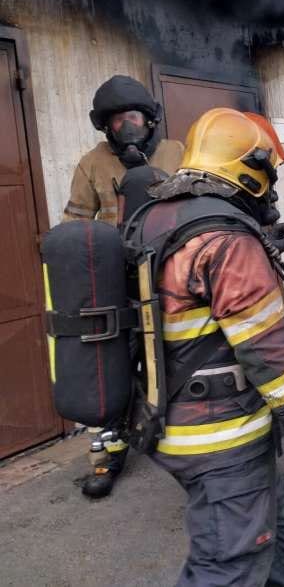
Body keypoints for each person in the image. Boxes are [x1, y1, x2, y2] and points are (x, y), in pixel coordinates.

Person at [129, 107, 284, 586]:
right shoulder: (226, 238)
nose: (272, 185)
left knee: (272, 503)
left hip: (166, 414)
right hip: (220, 435)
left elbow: (183, 301)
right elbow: (267, 350)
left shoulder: (159, 215)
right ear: (247, 168)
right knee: (229, 562)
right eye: (268, 172)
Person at [63, 74, 183, 499]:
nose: (127, 127)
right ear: (105, 126)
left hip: (171, 273)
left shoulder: (175, 152)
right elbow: (75, 227)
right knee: (113, 362)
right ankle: (109, 449)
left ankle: (184, 436)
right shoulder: (92, 163)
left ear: (149, 120)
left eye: (134, 117)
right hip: (118, 279)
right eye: (117, 121)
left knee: (179, 352)